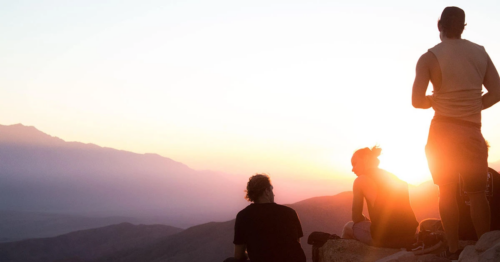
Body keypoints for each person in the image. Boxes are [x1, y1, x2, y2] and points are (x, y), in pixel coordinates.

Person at [412, 6, 500, 258]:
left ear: (439, 25)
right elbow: (497, 91)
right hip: (472, 131)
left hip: (442, 131)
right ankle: (485, 248)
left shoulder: (428, 58)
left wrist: (438, 100)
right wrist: (473, 104)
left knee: (447, 191)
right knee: (477, 194)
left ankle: (453, 249)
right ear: (463, 27)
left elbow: (417, 101)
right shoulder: (480, 53)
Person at [342, 146, 418, 248]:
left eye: (355, 163)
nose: (352, 169)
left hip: (387, 240)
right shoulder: (392, 177)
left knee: (348, 227)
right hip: (411, 236)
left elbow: (356, 218)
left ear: (366, 159)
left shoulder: (360, 180)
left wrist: (365, 220)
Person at [225, 174, 306, 262]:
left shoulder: (243, 216)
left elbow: (238, 255)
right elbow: (296, 244)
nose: (274, 194)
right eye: (272, 189)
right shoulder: (290, 212)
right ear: (266, 191)